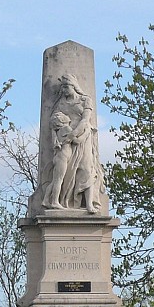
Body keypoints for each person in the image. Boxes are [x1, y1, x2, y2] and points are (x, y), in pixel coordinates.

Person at [41, 74, 104, 213]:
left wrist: (73, 134)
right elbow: (53, 123)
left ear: (74, 86)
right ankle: (61, 201)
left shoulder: (85, 100)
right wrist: (61, 137)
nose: (63, 90)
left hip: (83, 138)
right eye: (62, 87)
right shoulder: (61, 103)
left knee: (87, 170)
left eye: (66, 86)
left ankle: (89, 204)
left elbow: (85, 120)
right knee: (66, 174)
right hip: (66, 143)